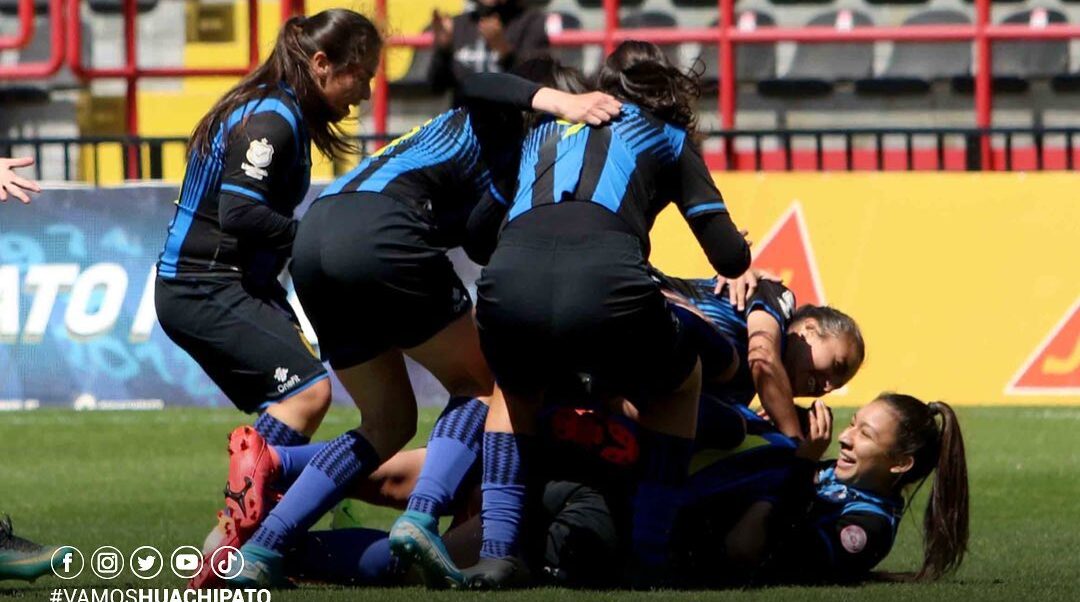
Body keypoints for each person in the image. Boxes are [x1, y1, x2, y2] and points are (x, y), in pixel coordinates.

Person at [228, 60, 621, 588]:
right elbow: (474, 79)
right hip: (380, 229)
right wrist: (561, 102)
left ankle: (263, 548)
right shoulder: (495, 116)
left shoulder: (494, 152)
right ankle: (422, 516)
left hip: (317, 234)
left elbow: (479, 236)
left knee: (387, 422)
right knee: (484, 385)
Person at [455, 40, 752, 588]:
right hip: (608, 287)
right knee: (678, 384)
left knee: (513, 392)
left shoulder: (543, 131)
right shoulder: (669, 135)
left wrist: (548, 104)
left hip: (505, 283)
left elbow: (477, 234)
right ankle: (649, 557)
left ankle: (497, 553)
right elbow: (728, 256)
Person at [150, 9, 383, 588]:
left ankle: (248, 541)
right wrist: (319, 241)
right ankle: (234, 541)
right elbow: (242, 213)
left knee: (298, 400)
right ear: (322, 64)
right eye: (361, 73)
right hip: (203, 284)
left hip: (232, 284)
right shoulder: (271, 120)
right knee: (308, 395)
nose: (368, 89)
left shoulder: (284, 113)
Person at [675, 393, 969, 585]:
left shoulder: (869, 526)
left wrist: (801, 464)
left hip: (690, 555)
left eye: (865, 434)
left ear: (900, 463)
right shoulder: (835, 472)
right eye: (853, 424)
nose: (844, 437)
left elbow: (765, 549)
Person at [429, 0, 549, 107]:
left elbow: (537, 83)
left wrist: (504, 51)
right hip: (465, 122)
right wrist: (443, 50)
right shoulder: (459, 24)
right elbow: (437, 87)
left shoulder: (530, 21)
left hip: (513, 122)